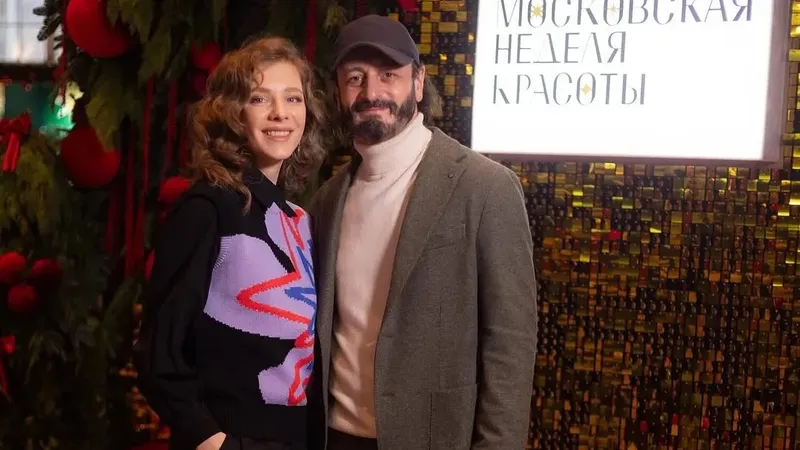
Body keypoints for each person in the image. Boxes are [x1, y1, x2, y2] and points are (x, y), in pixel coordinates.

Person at [308, 14, 538, 450]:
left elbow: (510, 342)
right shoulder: (327, 201)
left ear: (417, 83)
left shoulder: (484, 187)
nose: (371, 92)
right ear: (339, 92)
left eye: (388, 75)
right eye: (355, 78)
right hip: (334, 437)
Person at [135, 36, 326, 450]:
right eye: (260, 99)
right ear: (233, 112)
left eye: (293, 98)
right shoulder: (207, 209)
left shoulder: (299, 220)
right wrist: (218, 444)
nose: (280, 113)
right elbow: (158, 357)